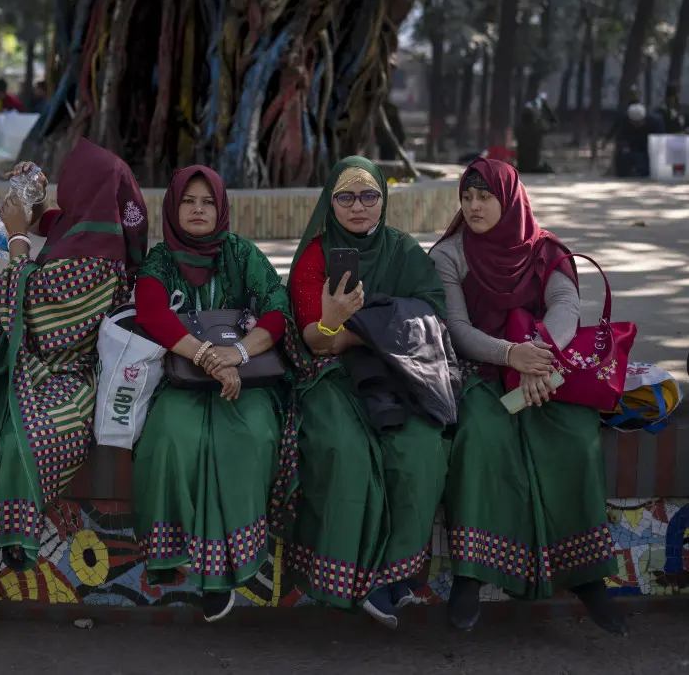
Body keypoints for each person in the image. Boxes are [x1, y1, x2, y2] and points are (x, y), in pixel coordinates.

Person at [430, 158, 623, 634]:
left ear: (509, 199)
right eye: (467, 197)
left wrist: (538, 357)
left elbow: (565, 306)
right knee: (480, 434)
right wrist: (511, 355)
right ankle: (471, 575)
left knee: (576, 434)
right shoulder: (449, 255)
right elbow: (455, 328)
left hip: (544, 369)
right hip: (482, 370)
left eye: (484, 197)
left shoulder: (546, 249)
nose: (473, 207)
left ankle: (588, 576)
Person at [0, 139, 148, 569]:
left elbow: (30, 309)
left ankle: (12, 536)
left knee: (26, 438)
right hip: (35, 362)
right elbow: (50, 222)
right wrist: (30, 193)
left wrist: (16, 234)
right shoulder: (84, 228)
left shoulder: (97, 257)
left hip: (70, 375)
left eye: (68, 180)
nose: (63, 187)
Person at [285, 156, 450, 629]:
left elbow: (432, 314)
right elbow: (315, 339)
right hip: (331, 378)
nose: (358, 207)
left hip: (397, 373)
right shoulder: (315, 256)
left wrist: (356, 329)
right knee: (346, 452)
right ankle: (343, 578)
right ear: (329, 202)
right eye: (345, 197)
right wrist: (342, 320)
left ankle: (392, 577)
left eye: (369, 195)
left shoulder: (402, 250)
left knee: (420, 448)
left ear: (383, 198)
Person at [131, 166, 297, 623]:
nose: (199, 209)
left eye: (207, 201)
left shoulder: (241, 253)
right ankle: (179, 554)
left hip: (248, 378)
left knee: (248, 438)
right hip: (183, 376)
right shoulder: (161, 259)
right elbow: (151, 312)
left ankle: (226, 568)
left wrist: (237, 354)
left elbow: (277, 310)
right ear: (173, 208)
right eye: (189, 201)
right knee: (170, 437)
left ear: (220, 207)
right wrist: (208, 356)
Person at [613, 102, 660, 177]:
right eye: (634, 123)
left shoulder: (655, 123)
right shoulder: (625, 122)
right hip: (631, 148)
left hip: (649, 149)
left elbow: (659, 140)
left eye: (638, 123)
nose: (636, 126)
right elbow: (620, 138)